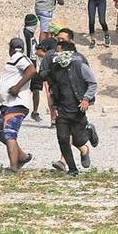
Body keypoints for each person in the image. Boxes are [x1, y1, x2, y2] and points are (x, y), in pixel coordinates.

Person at [37, 40, 98, 177]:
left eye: (59, 52)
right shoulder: (55, 67)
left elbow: (92, 83)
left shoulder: (79, 65)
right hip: (62, 109)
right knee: (63, 139)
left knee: (78, 139)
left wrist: (86, 98)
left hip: (77, 108)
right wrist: (55, 105)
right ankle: (72, 169)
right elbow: (50, 84)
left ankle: (88, 132)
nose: (57, 54)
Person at [0, 38, 36, 173]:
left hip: (17, 103)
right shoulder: (16, 59)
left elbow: (31, 70)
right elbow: (16, 74)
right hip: (8, 103)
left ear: (10, 48)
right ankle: (22, 156)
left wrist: (17, 87)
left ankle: (13, 168)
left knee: (9, 133)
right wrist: (1, 81)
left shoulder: (19, 57)